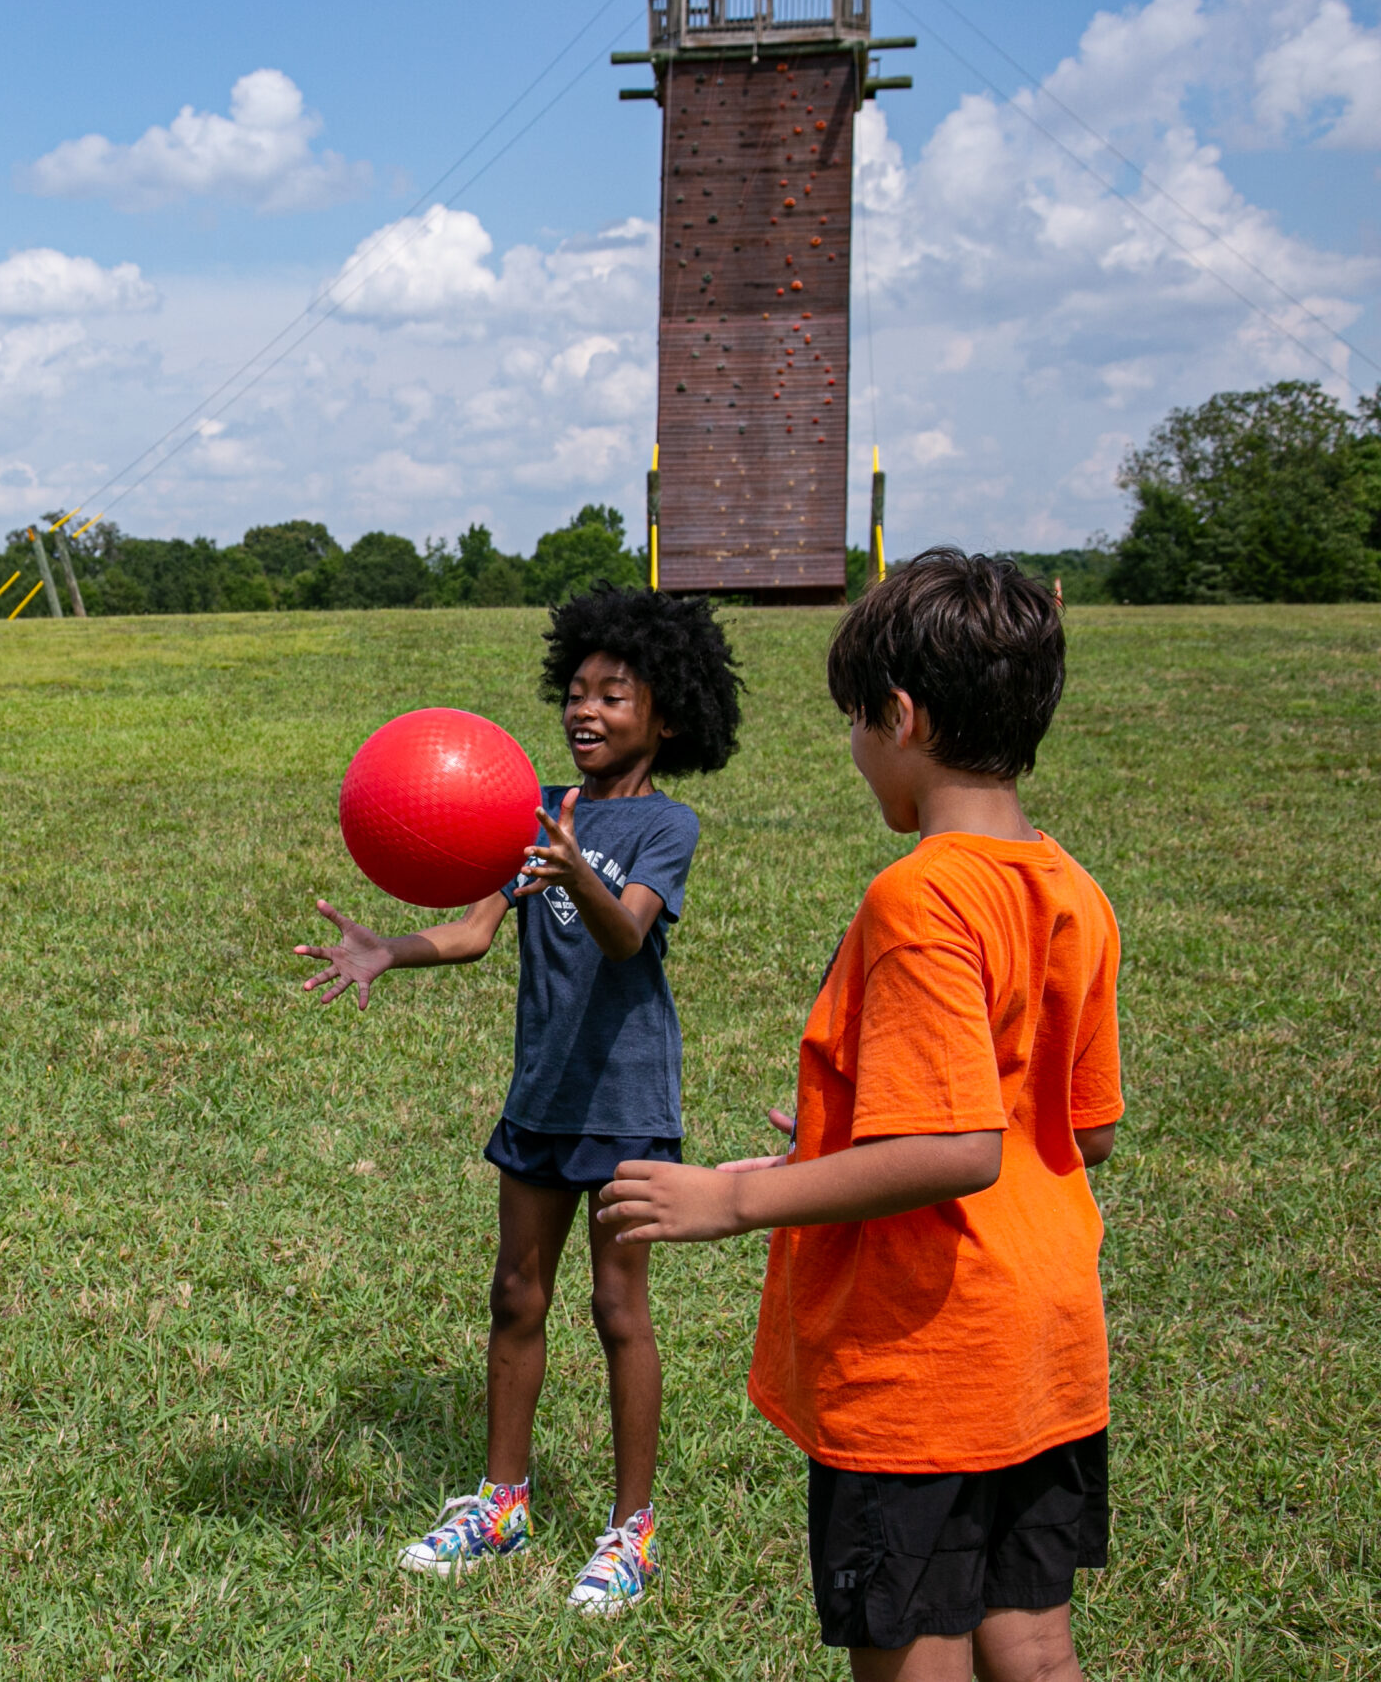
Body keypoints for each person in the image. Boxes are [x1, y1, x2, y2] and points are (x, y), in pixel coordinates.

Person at [597, 549, 1119, 1679]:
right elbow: (1078, 1131)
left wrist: (731, 1197)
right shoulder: (1070, 885)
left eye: (853, 724)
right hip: (1044, 1343)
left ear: (900, 715)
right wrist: (840, 1145)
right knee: (1032, 1644)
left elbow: (953, 1147)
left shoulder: (920, 894)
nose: (853, 752)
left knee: (911, 1649)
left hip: (923, 1360)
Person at [293, 587, 743, 1611]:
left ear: (665, 714)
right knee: (515, 1297)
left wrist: (577, 868)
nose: (585, 710)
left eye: (613, 695)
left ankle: (631, 1530)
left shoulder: (667, 824)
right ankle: (501, 1502)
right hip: (539, 1096)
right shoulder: (531, 809)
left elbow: (627, 933)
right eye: (575, 692)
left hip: (627, 1103)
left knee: (618, 1305)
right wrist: (388, 950)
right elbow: (473, 930)